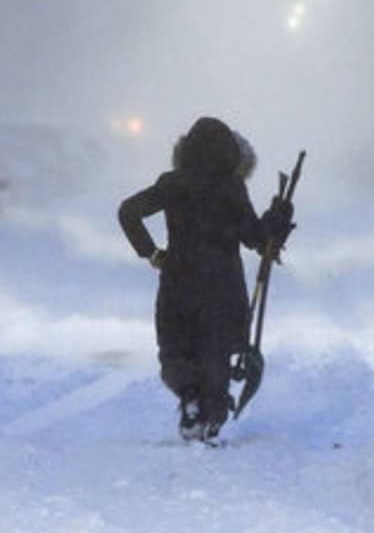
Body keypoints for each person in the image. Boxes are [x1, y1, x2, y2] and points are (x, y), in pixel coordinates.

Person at [119, 117, 294, 442]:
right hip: (222, 285)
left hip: (178, 282)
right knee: (216, 350)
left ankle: (190, 401)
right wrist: (276, 221)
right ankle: (211, 413)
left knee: (177, 349)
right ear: (229, 153)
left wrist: (153, 253)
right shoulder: (231, 188)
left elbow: (128, 211)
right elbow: (254, 237)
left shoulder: (172, 184)